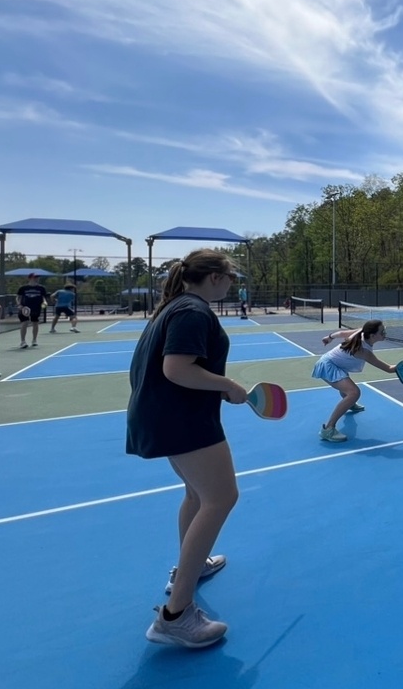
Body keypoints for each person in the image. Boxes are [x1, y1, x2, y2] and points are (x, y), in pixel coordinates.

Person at [126, 249, 248, 648]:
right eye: (231, 277)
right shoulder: (194, 312)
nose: (233, 284)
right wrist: (227, 385)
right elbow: (177, 369)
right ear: (215, 277)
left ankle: (187, 571)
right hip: (183, 420)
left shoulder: (176, 305)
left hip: (166, 417)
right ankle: (175, 617)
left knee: (197, 495)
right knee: (221, 497)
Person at [312, 321, 403, 442]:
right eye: (382, 332)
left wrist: (329, 337)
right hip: (328, 366)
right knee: (354, 392)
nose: (385, 333)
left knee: (348, 388)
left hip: (334, 363)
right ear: (372, 336)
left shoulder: (362, 332)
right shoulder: (364, 352)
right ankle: (328, 429)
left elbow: (341, 333)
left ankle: (350, 404)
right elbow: (388, 369)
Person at [17, 273, 49, 348]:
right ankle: (23, 341)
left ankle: (34, 340)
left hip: (36, 308)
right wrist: (19, 305)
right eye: (35, 277)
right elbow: (18, 297)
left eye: (37, 277)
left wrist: (44, 302)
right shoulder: (23, 288)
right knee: (24, 323)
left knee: (35, 323)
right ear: (30, 278)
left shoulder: (41, 288)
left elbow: (43, 297)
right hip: (25, 308)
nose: (36, 278)